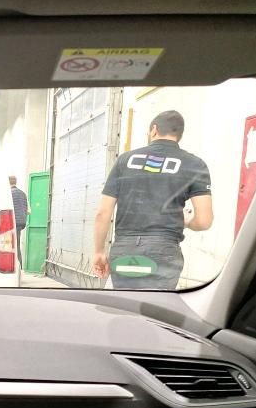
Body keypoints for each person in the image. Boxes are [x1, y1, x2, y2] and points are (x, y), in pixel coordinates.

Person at [91, 110, 213, 290]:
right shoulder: (195, 164)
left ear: (154, 130)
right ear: (179, 134)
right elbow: (204, 221)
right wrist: (187, 221)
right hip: (164, 250)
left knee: (125, 303)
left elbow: (102, 213)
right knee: (155, 305)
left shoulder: (124, 160)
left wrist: (99, 252)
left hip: (125, 248)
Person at [9, 176, 28, 268]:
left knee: (12, 246)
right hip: (21, 222)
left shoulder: (10, 193)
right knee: (17, 244)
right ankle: (20, 266)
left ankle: (18, 267)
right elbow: (26, 209)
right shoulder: (23, 193)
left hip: (13, 222)